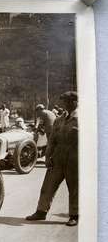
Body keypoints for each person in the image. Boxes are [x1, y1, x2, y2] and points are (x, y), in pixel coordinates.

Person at [25, 91, 79, 226]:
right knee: (48, 185)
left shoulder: (83, 119)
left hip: (75, 158)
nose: (63, 104)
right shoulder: (59, 119)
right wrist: (48, 156)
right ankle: (41, 211)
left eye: (66, 101)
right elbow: (52, 140)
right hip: (58, 156)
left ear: (74, 102)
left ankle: (74, 215)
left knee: (74, 188)